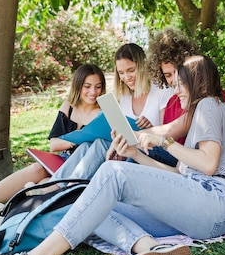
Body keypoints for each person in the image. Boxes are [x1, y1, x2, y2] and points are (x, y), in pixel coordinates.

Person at [0, 55, 225, 255]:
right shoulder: (199, 118)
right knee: (92, 201)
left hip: (216, 201)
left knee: (111, 174)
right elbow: (179, 176)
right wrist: (132, 155)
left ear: (197, 82)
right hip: (199, 210)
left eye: (181, 84)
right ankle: (150, 249)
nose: (176, 90)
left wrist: (163, 140)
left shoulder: (210, 104)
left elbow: (209, 164)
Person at [0, 64, 106, 226]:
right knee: (36, 169)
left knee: (44, 185)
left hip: (82, 166)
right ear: (78, 86)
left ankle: (6, 216)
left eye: (98, 87)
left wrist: (72, 141)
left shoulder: (102, 112)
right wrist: (79, 138)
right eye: (88, 86)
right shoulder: (69, 106)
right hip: (62, 160)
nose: (93, 92)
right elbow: (54, 144)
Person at [51, 42, 176, 179]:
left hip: (155, 148)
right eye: (121, 73)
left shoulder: (161, 90)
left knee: (105, 147)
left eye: (131, 70)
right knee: (93, 144)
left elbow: (168, 135)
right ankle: (60, 185)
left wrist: (151, 128)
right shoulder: (123, 97)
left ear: (142, 66)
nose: (126, 77)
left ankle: (70, 188)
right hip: (132, 146)